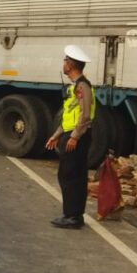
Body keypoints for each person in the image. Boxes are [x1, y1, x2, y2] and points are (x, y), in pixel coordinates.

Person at [45, 45, 96, 229]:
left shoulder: (82, 86)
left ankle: (72, 216)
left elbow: (85, 115)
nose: (63, 63)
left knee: (69, 175)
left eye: (65, 60)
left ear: (71, 65)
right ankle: (74, 215)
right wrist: (56, 135)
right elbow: (69, 116)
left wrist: (74, 137)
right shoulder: (76, 87)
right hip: (71, 134)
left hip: (77, 136)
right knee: (73, 174)